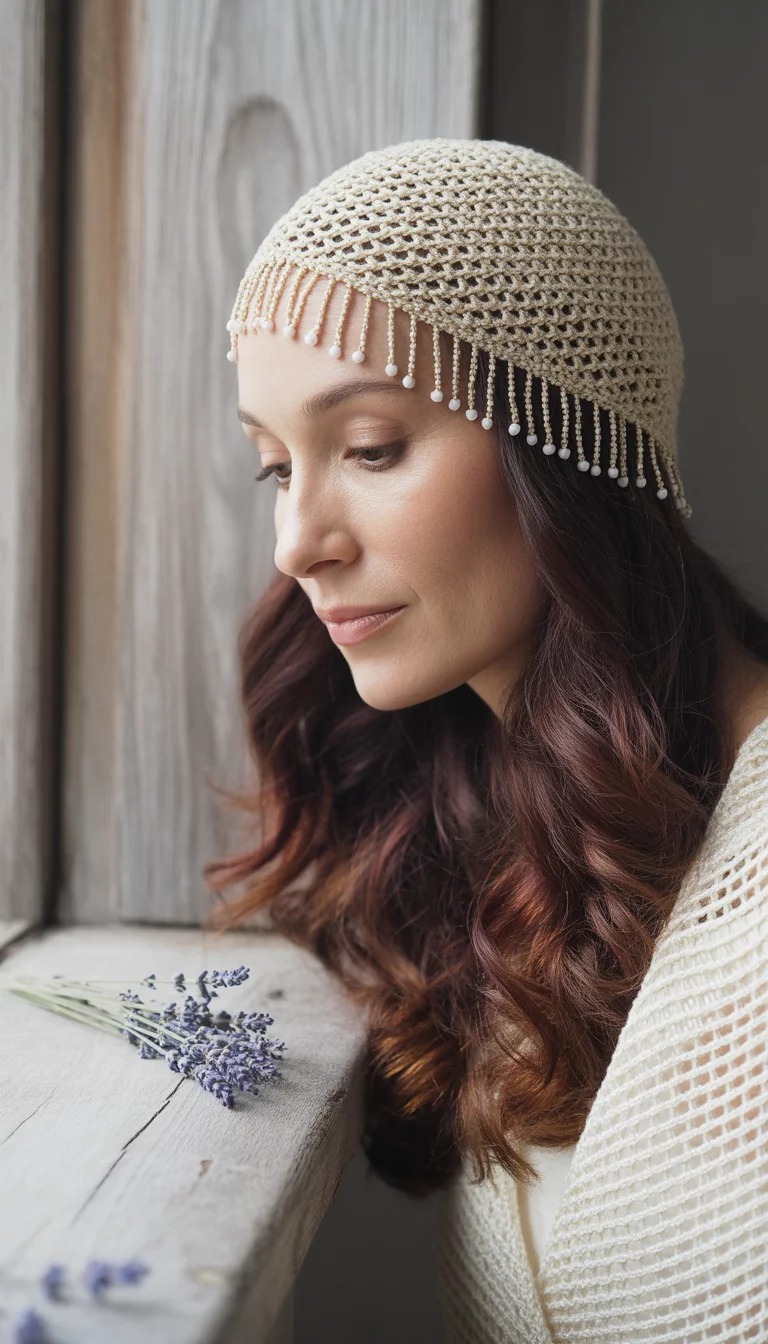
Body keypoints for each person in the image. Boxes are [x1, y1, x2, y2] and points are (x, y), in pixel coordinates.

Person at [204, 140, 768, 1342]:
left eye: (370, 448)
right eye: (274, 469)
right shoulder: (498, 825)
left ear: (567, 437)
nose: (296, 543)